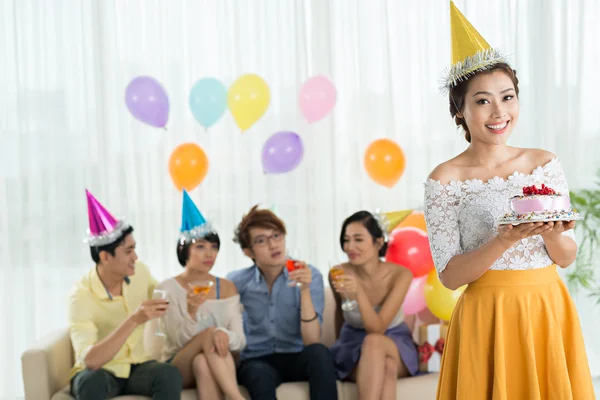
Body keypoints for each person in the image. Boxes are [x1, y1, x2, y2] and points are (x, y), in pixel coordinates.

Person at [423, 2, 595, 399]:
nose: (499, 112)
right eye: (482, 101)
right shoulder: (444, 179)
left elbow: (566, 256)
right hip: (486, 316)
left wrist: (552, 234)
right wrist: (503, 239)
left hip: (545, 308)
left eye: (508, 96)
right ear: (459, 111)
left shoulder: (543, 163)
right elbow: (450, 277)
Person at [68, 190, 182, 400]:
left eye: (134, 249)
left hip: (136, 368)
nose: (135, 257)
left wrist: (187, 299)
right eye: (128, 251)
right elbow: (91, 361)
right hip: (101, 372)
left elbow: (164, 298)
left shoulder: (141, 272)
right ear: (105, 257)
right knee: (89, 382)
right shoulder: (81, 295)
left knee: (168, 374)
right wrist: (134, 319)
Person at [227, 205, 338, 400]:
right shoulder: (236, 283)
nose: (273, 245)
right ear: (248, 252)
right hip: (257, 360)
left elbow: (311, 340)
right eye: (261, 241)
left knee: (319, 353)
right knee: (258, 374)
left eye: (277, 236)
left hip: (297, 355)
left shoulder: (310, 275)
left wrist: (304, 290)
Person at [157, 190, 246, 400]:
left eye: (214, 247)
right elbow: (177, 341)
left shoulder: (227, 287)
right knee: (207, 336)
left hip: (219, 358)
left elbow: (240, 340)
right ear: (184, 250)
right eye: (200, 247)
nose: (209, 254)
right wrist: (191, 312)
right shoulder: (167, 289)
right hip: (178, 365)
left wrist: (223, 335)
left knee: (203, 361)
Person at [329, 211, 418, 400]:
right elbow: (339, 312)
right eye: (346, 240)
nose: (350, 247)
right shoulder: (338, 272)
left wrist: (358, 292)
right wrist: (338, 344)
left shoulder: (401, 275)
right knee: (388, 368)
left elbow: (376, 328)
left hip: (395, 343)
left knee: (374, 341)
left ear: (378, 242)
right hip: (352, 344)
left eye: (358, 239)